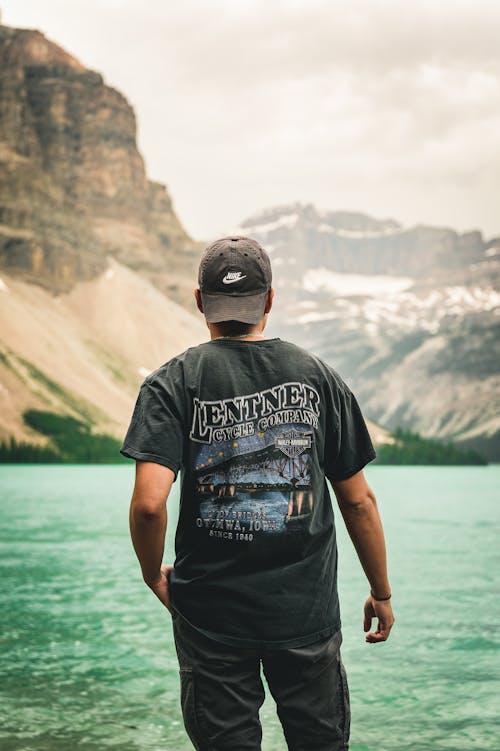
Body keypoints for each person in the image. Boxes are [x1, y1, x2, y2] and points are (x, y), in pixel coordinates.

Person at [120, 236, 395, 751]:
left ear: (200, 302)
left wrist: (150, 572)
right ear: (270, 300)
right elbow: (358, 501)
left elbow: (149, 503)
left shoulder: (171, 383)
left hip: (210, 616)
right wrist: (380, 591)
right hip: (305, 615)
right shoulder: (320, 379)